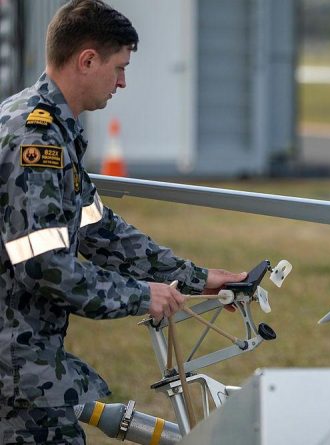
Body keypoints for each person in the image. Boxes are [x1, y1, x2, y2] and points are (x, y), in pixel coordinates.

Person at [0, 1, 245, 443]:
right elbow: (45, 268)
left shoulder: (52, 126)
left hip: (24, 362)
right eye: (119, 67)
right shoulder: (36, 138)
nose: (123, 82)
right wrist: (141, 296)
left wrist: (193, 277)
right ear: (87, 60)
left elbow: (100, 231)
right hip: (15, 374)